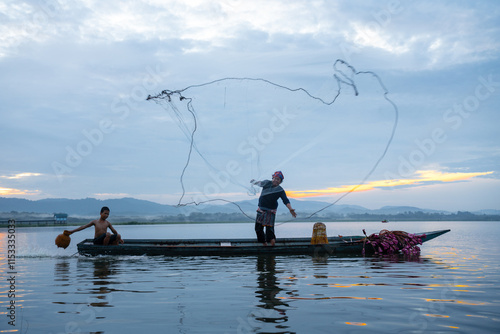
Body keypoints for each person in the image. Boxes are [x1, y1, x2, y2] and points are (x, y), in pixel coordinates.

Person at [251, 171, 296, 246]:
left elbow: (285, 200)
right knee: (258, 228)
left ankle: (272, 246)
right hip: (261, 209)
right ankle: (265, 245)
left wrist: (290, 209)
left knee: (269, 230)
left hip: (271, 211)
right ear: (272, 178)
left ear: (280, 181)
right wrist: (254, 182)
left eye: (278, 179)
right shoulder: (266, 183)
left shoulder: (280, 190)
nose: (276, 180)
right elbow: (259, 183)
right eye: (275, 178)